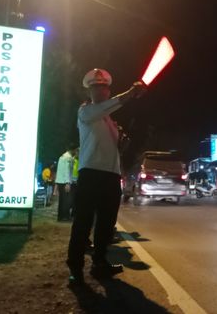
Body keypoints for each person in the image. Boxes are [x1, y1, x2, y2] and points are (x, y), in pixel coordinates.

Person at [66, 68, 146, 285]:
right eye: (95, 88)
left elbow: (113, 148)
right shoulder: (86, 111)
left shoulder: (110, 121)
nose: (100, 91)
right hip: (90, 173)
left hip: (111, 176)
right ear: (89, 91)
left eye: (103, 87)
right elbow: (104, 109)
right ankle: (75, 268)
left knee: (106, 224)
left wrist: (122, 144)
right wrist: (129, 94)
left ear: (108, 90)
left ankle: (99, 264)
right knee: (82, 223)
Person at [55, 144, 78, 221]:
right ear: (72, 150)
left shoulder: (62, 156)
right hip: (65, 182)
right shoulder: (68, 158)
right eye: (75, 150)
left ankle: (60, 217)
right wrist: (68, 183)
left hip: (60, 181)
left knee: (61, 200)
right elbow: (67, 171)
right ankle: (65, 217)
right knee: (67, 201)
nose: (76, 151)